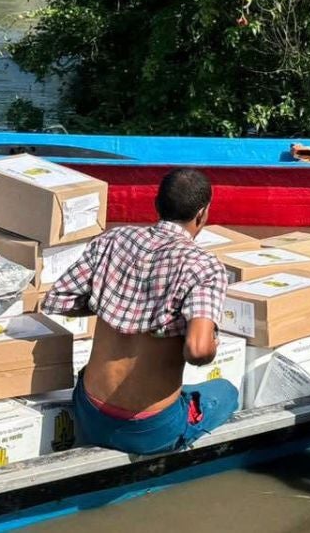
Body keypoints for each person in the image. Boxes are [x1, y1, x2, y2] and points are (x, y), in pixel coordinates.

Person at [42, 168, 238, 455]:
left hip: (88, 411)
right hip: (151, 431)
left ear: (156, 205)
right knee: (226, 391)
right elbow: (197, 351)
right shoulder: (203, 266)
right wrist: (208, 342)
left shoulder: (113, 239)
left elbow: (58, 299)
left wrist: (113, 305)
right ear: (203, 214)